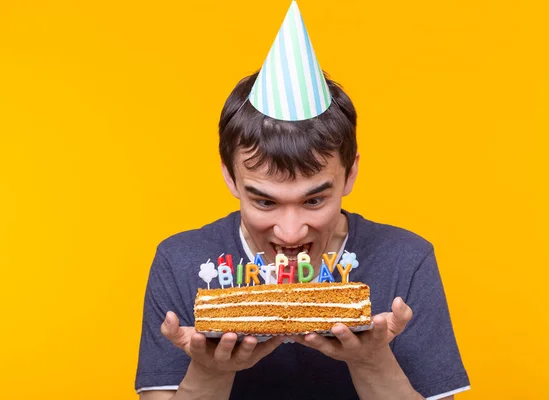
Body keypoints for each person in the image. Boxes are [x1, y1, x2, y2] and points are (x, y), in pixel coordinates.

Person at [135, 3, 469, 399]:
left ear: (350, 173)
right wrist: (209, 372)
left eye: (314, 201)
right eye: (264, 202)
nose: (291, 232)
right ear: (230, 176)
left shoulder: (406, 260)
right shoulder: (181, 262)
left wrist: (371, 360)